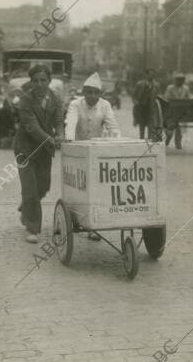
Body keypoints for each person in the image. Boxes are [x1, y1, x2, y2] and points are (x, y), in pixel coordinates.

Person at [64, 72, 121, 240]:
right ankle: (79, 216)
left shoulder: (105, 105)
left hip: (97, 152)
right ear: (84, 92)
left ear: (100, 94)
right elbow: (70, 122)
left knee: (97, 189)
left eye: (96, 92)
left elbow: (113, 126)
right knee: (81, 187)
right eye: (89, 92)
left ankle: (93, 226)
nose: (92, 96)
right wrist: (69, 142)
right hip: (78, 151)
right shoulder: (75, 104)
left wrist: (118, 143)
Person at [13, 64, 64, 244]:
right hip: (25, 149)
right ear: (31, 82)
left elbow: (59, 120)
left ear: (49, 81)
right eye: (36, 81)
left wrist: (60, 134)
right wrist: (51, 139)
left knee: (44, 186)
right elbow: (32, 127)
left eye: (43, 80)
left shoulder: (56, 99)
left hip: (44, 150)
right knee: (30, 189)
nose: (40, 84)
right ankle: (33, 228)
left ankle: (26, 208)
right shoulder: (25, 101)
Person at [163, 72, 193, 148]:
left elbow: (189, 97)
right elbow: (166, 98)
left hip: (182, 111)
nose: (180, 81)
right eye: (178, 79)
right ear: (175, 80)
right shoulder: (170, 88)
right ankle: (168, 140)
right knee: (171, 127)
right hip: (171, 111)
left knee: (179, 127)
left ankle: (178, 142)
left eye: (181, 80)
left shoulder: (186, 88)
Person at [132, 69, 161, 140]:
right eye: (150, 74)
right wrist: (136, 103)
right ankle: (141, 139)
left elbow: (159, 96)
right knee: (142, 125)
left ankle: (149, 139)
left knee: (151, 125)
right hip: (142, 107)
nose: (152, 76)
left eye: (153, 74)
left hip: (151, 108)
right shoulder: (140, 84)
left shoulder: (156, 85)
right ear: (146, 75)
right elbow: (134, 95)